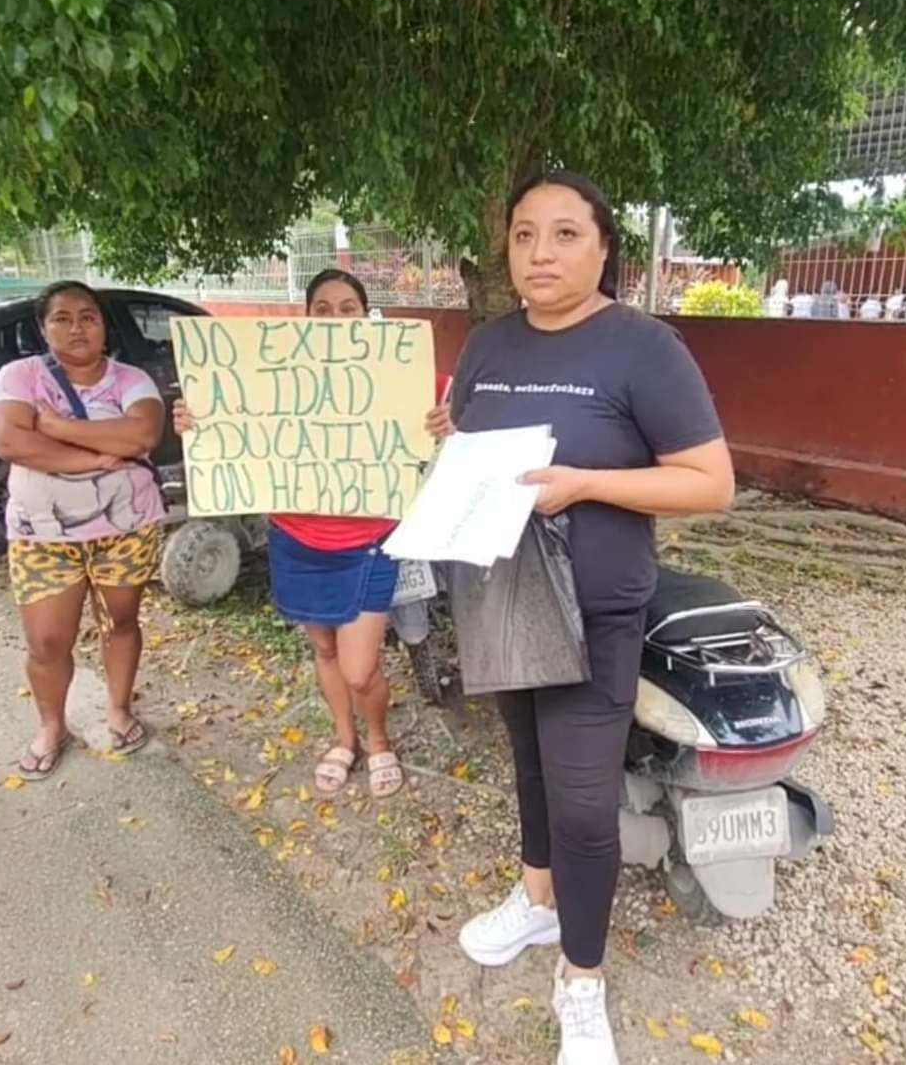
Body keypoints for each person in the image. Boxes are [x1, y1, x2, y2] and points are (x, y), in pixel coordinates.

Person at [448, 171, 734, 1065]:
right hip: (499, 594)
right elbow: (471, 445)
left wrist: (583, 486)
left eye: (565, 234)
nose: (541, 253)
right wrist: (442, 437)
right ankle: (538, 904)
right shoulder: (490, 344)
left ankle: (582, 980)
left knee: (581, 807)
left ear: (605, 249)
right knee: (530, 768)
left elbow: (710, 483)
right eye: (525, 234)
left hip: (595, 612)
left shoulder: (643, 348)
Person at [174, 270, 452, 798]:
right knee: (323, 650)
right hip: (295, 536)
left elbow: (452, 417)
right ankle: (346, 739)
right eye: (321, 309)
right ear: (306, 317)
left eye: (347, 307)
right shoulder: (275, 371)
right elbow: (224, 409)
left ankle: (379, 738)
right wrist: (196, 419)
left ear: (365, 316)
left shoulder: (401, 371)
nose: (334, 318)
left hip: (368, 540)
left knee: (360, 668)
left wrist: (446, 422)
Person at [0, 281, 166, 778]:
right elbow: (10, 442)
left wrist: (58, 428)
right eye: (62, 318)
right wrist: (103, 457)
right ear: (43, 328)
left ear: (103, 325)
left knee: (122, 622)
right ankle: (50, 726)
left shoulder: (132, 380)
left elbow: (143, 434)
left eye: (88, 316)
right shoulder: (17, 377)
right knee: (46, 641)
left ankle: (119, 710)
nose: (77, 326)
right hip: (43, 536)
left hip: (127, 529)